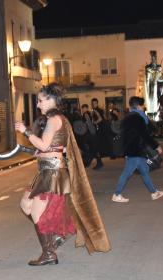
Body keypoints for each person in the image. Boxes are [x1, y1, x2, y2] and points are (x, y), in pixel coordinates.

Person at [15, 83, 110, 266]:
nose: (38, 104)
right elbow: (61, 147)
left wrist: (25, 130)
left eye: (40, 100)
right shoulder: (61, 119)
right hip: (47, 170)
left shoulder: (54, 120)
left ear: (51, 100)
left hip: (52, 173)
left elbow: (43, 144)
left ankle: (49, 252)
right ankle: (55, 238)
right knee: (25, 204)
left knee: (36, 213)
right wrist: (42, 152)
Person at [112, 96, 163, 203]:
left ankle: (154, 193)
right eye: (142, 105)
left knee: (145, 171)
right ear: (138, 106)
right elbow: (145, 135)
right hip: (135, 149)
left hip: (132, 148)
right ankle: (117, 194)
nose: (143, 107)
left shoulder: (127, 117)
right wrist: (157, 146)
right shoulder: (138, 118)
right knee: (127, 173)